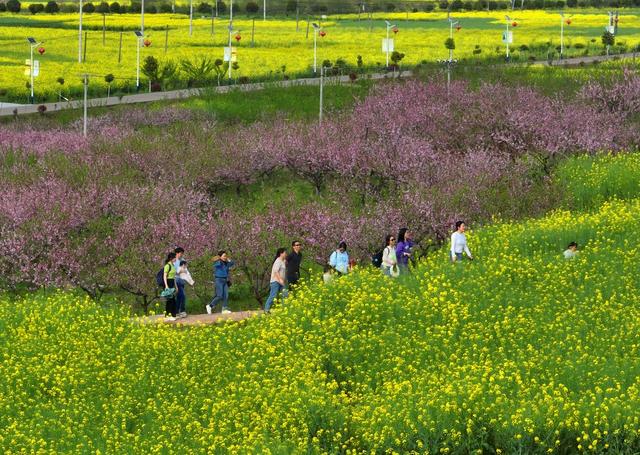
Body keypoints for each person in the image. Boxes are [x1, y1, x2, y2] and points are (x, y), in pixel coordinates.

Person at [206, 250, 235, 315]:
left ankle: (224, 309)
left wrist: (228, 259)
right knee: (219, 295)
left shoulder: (227, 264)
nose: (225, 257)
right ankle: (210, 306)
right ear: (220, 256)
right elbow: (215, 263)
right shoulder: (218, 262)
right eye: (224, 256)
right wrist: (218, 258)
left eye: (226, 256)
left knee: (226, 295)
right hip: (219, 280)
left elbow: (233, 263)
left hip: (225, 280)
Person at [264, 248, 287, 313]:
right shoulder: (278, 261)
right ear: (281, 253)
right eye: (285, 253)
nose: (286, 254)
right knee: (273, 295)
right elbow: (276, 271)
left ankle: (283, 309)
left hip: (281, 282)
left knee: (285, 294)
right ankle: (266, 310)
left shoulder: (282, 261)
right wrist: (280, 279)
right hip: (275, 282)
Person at [163, 252, 178, 322]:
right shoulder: (167, 266)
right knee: (170, 300)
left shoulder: (173, 265)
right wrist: (166, 286)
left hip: (172, 282)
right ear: (171, 258)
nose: (176, 259)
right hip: (168, 283)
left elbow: (174, 277)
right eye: (174, 257)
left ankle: (172, 315)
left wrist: (176, 286)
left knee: (173, 300)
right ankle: (168, 316)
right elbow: (165, 276)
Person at [173, 247, 187, 318]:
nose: (181, 255)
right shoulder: (174, 261)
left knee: (179, 297)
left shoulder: (183, 260)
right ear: (177, 253)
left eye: (182, 253)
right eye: (180, 253)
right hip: (176, 280)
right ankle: (182, 311)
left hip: (182, 280)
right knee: (183, 295)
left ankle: (176, 311)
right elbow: (173, 271)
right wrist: (180, 271)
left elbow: (185, 270)